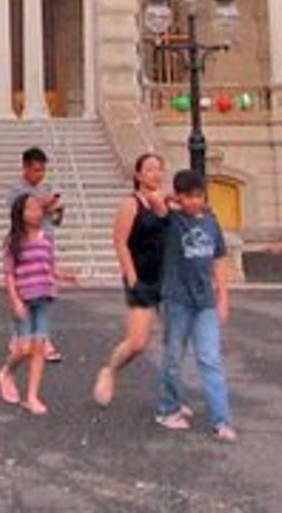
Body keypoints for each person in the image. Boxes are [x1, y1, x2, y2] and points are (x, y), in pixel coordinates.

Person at [153, 169, 236, 442]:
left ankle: (221, 420)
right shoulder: (172, 220)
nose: (194, 202)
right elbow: (155, 201)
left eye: (198, 196)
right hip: (177, 299)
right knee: (174, 356)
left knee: (209, 358)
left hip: (205, 302)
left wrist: (223, 296)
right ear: (179, 197)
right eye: (188, 197)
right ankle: (169, 406)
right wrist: (171, 200)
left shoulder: (211, 221)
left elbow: (219, 259)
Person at [94, 151, 170, 406]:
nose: (155, 173)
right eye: (149, 169)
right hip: (142, 278)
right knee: (137, 342)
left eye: (159, 169)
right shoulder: (131, 204)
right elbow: (120, 242)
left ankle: (173, 397)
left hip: (167, 279)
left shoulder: (165, 202)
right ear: (138, 174)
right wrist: (131, 275)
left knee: (175, 342)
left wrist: (164, 208)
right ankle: (110, 371)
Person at [0, 191, 58, 415]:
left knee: (39, 348)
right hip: (23, 298)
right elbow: (9, 273)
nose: (35, 212)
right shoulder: (13, 240)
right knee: (23, 348)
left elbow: (49, 266)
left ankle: (32, 396)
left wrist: (61, 278)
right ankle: (6, 371)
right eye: (30, 209)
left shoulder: (47, 237)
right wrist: (14, 300)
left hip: (43, 297)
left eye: (38, 208)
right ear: (20, 214)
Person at [7, 146, 66, 361]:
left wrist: (58, 210)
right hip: (23, 244)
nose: (39, 175)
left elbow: (56, 222)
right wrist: (42, 205)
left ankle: (44, 340)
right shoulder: (16, 190)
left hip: (44, 243)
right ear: (25, 168)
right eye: (35, 170)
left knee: (43, 293)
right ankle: (18, 335)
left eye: (42, 170)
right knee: (24, 293)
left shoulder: (47, 187)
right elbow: (15, 213)